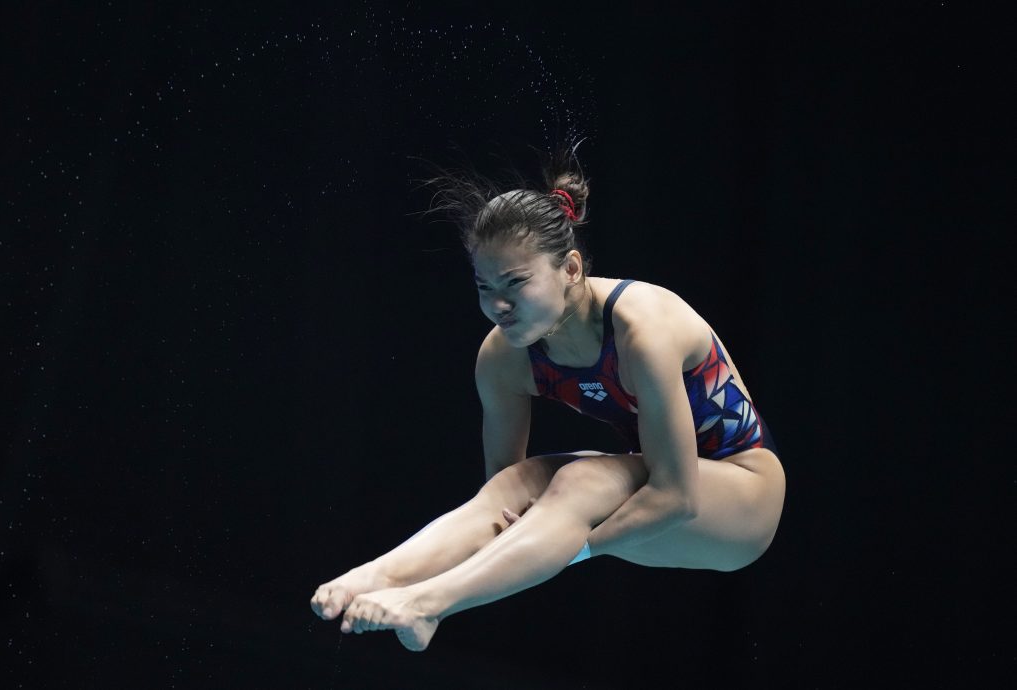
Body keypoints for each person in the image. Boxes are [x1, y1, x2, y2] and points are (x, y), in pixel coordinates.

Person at [309, 144, 786, 651]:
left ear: (572, 269)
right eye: (484, 285)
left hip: (743, 499)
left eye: (516, 282)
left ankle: (426, 605)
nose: (498, 305)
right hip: (658, 489)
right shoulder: (504, 357)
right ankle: (379, 576)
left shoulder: (641, 328)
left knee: (579, 480)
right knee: (528, 480)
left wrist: (573, 548)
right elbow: (501, 496)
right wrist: (530, 535)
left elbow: (676, 496)